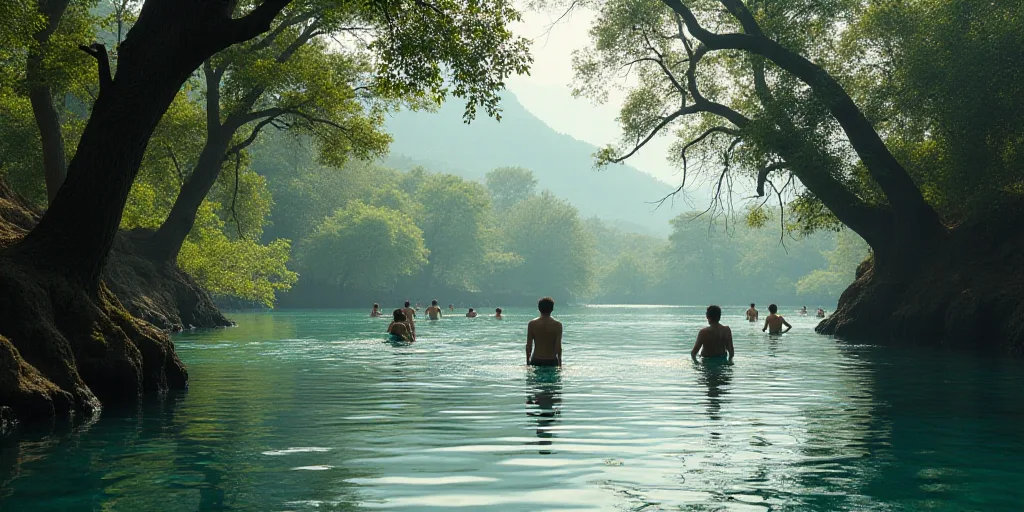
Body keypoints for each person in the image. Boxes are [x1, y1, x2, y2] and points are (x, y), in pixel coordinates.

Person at [526, 297, 563, 367]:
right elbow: (558, 347)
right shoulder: (558, 325)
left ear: (539, 308)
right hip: (551, 360)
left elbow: (528, 346)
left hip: (536, 359)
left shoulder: (532, 324)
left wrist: (528, 363)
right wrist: (560, 364)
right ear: (552, 309)